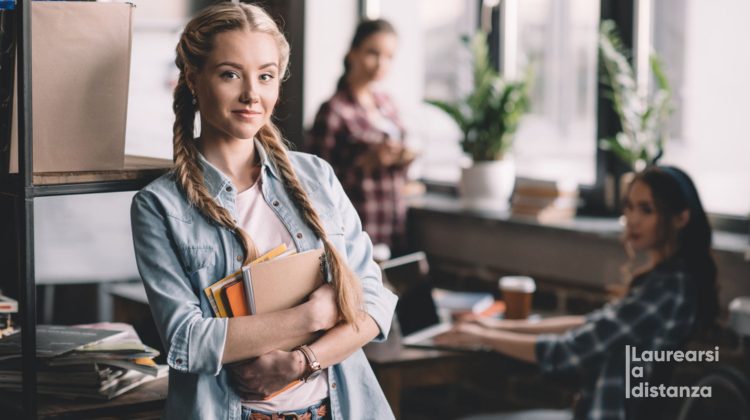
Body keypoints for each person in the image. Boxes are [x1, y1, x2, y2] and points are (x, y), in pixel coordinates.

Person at [130, 4, 397, 419]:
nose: (252, 94)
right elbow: (187, 342)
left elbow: (375, 301)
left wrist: (303, 360)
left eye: (266, 76)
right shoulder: (159, 206)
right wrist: (313, 314)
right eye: (230, 74)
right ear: (194, 80)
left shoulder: (317, 177)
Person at [435, 166, 719, 420]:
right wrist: (495, 325)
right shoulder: (662, 281)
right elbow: (589, 325)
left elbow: (569, 351)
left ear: (681, 218)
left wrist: (484, 336)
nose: (632, 219)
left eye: (646, 210)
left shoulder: (667, 290)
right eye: (629, 207)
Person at [307, 19, 415, 255]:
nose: (381, 63)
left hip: (393, 224)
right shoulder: (333, 110)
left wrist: (403, 158)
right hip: (356, 227)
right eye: (373, 53)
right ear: (353, 53)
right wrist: (365, 163)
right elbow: (314, 184)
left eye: (389, 56)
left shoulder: (388, 104)